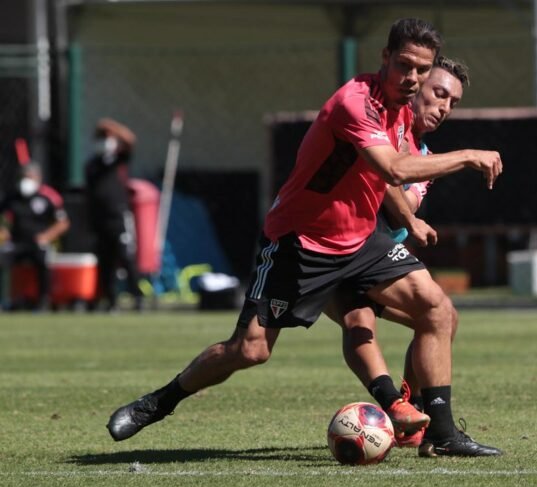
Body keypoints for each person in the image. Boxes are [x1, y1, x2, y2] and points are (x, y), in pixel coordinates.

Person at [107, 18, 503, 458]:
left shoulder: (403, 114)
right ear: (385, 58)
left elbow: (383, 174)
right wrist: (469, 155)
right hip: (300, 242)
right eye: (405, 65)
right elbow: (393, 169)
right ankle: (157, 403)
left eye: (421, 70)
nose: (412, 78)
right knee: (250, 350)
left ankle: (440, 434)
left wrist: (407, 219)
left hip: (360, 241)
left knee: (438, 311)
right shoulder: (356, 103)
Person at [326, 55, 469, 449]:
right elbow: (386, 175)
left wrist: (408, 199)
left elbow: (402, 197)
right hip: (327, 242)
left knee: (442, 318)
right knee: (356, 320)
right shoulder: (376, 125)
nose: (444, 107)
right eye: (439, 93)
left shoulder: (423, 157)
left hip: (372, 255)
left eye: (453, 103)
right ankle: (398, 408)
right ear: (416, 84)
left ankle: (411, 405)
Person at [84, 118, 143, 312]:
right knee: (105, 261)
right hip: (99, 220)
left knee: (126, 257)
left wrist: (112, 127)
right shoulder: (91, 165)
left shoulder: (117, 161)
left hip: (118, 218)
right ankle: (110, 300)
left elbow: (130, 141)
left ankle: (137, 298)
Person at [0, 162, 70, 310]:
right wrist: (4, 230)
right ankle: (5, 300)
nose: (26, 180)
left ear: (38, 178)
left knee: (43, 258)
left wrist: (46, 236)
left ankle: (43, 301)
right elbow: (4, 219)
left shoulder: (48, 196)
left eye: (29, 177)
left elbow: (63, 223)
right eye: (23, 177)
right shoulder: (13, 196)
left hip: (39, 242)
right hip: (16, 242)